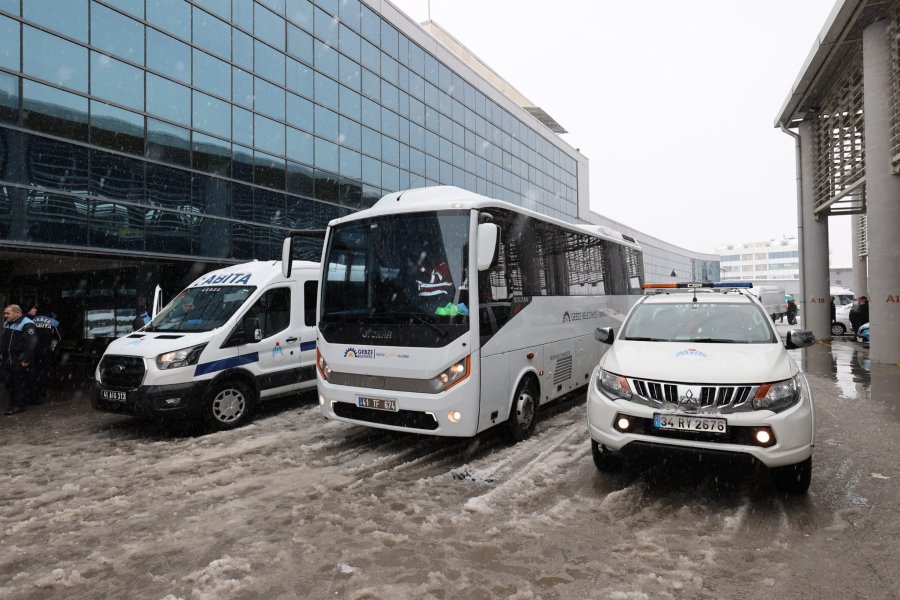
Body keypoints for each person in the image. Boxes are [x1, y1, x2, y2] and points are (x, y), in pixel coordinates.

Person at [0, 304, 38, 415]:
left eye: (8, 313)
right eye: (5, 313)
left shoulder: (27, 324)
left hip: (18, 358)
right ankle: (19, 401)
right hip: (8, 358)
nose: (5, 315)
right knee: (7, 381)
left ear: (17, 313)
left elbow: (31, 343)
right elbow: (3, 339)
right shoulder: (8, 323)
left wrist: (26, 359)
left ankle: (18, 405)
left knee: (17, 382)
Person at [26, 304, 62, 401]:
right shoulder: (53, 322)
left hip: (32, 351)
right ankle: (40, 392)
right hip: (45, 351)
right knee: (43, 372)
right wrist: (52, 346)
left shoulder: (30, 320)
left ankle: (32, 393)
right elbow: (59, 337)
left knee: (32, 372)